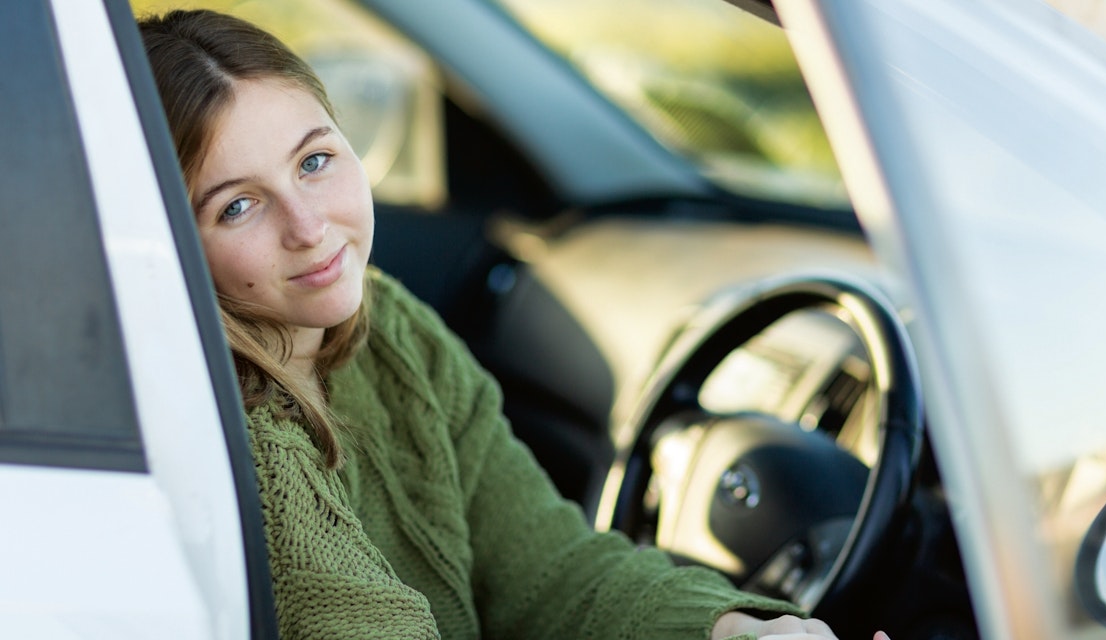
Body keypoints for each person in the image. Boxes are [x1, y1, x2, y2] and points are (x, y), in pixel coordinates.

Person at [137, 9, 891, 640]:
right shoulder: (250, 443)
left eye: (315, 161)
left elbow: (545, 569)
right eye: (238, 205)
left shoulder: (387, 323)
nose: (308, 225)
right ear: (167, 234)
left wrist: (737, 631)